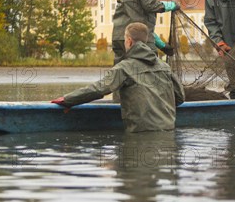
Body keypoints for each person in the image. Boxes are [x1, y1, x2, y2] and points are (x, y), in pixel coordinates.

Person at [51, 22, 185, 133]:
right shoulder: (165, 66)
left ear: (129, 41)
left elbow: (99, 89)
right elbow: (179, 97)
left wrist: (68, 99)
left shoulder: (124, 68)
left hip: (141, 133)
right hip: (168, 130)